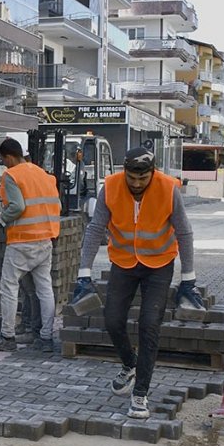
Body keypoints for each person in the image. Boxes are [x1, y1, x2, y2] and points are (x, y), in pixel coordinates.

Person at [70, 146, 203, 419]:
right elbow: (96, 228)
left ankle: (140, 394)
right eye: (132, 178)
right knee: (113, 320)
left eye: (143, 179)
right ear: (124, 172)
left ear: (152, 173)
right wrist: (84, 271)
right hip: (124, 262)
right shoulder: (111, 187)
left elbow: (184, 232)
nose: (137, 184)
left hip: (159, 264)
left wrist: (188, 279)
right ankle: (130, 365)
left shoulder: (168, 188)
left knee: (149, 324)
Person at [0, 137, 61, 352]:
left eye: (3, 159)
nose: (3, 164)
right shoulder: (43, 175)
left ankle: (7, 337)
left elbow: (17, 206)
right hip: (45, 240)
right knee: (44, 289)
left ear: (9, 157)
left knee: (9, 287)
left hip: (22, 241)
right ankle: (45, 337)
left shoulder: (12, 175)